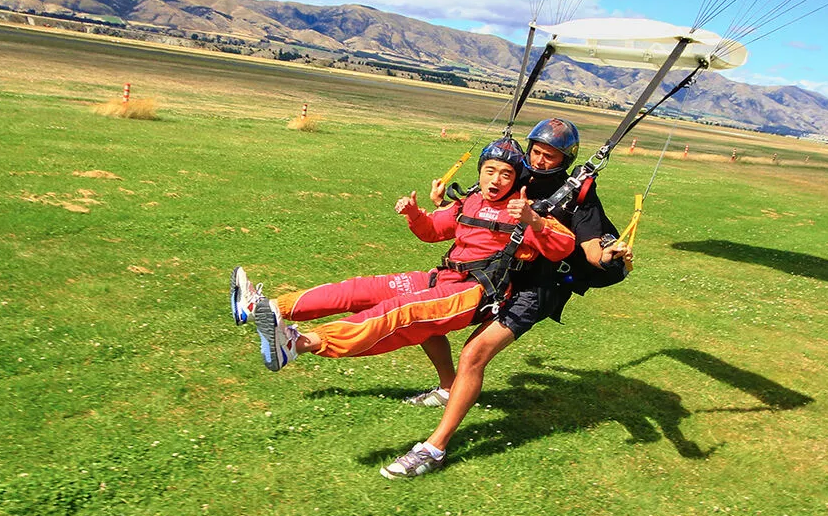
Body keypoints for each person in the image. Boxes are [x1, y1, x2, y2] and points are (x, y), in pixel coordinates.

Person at [380, 118, 633, 479]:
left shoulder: (579, 194)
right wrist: (442, 203)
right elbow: (477, 199)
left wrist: (611, 256)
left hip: (539, 288)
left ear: (566, 158)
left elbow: (592, 250)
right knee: (428, 316)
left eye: (550, 155)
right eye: (537, 151)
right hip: (496, 277)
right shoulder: (519, 175)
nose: (541, 160)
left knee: (474, 353)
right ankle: (449, 387)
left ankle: (434, 448)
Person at [230, 137, 575, 374]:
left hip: (473, 293)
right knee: (361, 289)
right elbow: (432, 231)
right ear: (481, 171)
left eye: (506, 174)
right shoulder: (469, 202)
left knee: (398, 312)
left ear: (515, 179)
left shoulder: (522, 211)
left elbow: (564, 245)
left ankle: (296, 344)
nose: (496, 179)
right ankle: (266, 308)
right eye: (490, 171)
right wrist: (414, 213)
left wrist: (534, 221)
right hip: (442, 277)